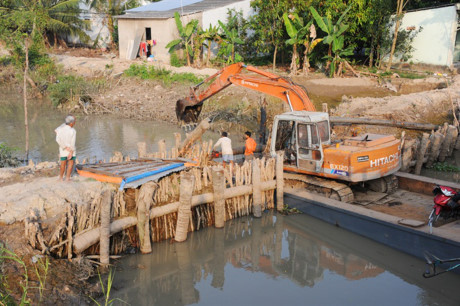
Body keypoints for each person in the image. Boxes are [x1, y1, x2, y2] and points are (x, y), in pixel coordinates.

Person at [55, 115, 76, 181]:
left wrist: (64, 147)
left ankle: (61, 177)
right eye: (74, 122)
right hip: (70, 149)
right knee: (70, 163)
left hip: (63, 149)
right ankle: (67, 178)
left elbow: (57, 139)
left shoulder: (60, 129)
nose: (75, 123)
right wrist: (71, 151)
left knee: (63, 164)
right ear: (71, 123)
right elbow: (73, 142)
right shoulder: (73, 131)